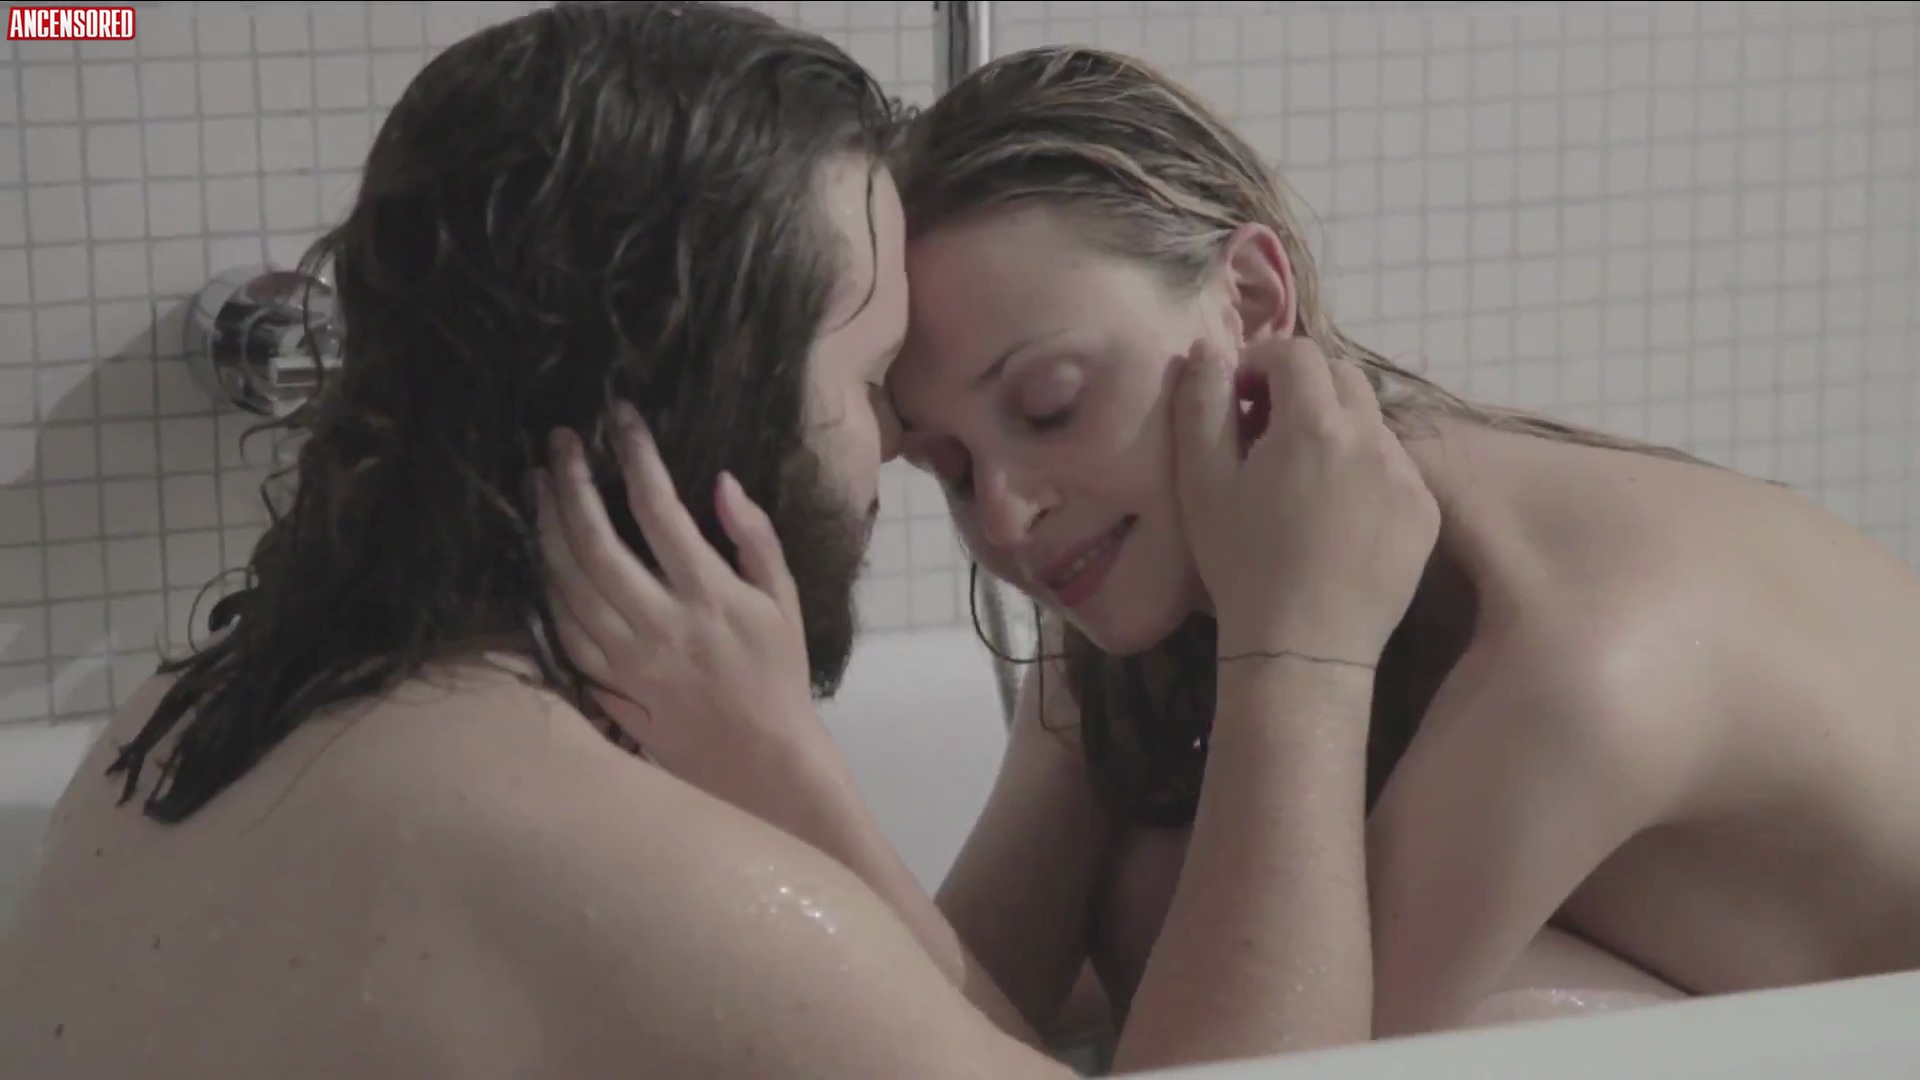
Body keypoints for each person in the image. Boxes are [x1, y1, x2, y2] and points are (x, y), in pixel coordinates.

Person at [0, 8, 1439, 1079]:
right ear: (712, 398)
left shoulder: (169, 739)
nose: (888, 447)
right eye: (868, 382)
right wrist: (1301, 652)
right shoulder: (657, 888)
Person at [863, 44, 1920, 1044]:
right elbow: (953, 1017)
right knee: (1161, 889)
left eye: (1049, 405)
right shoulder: (1147, 565)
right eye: (949, 467)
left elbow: (1274, 1066)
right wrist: (787, 758)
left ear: (1250, 303)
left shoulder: (1581, 662)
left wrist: (1292, 644)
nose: (1003, 514)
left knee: (1454, 1019)